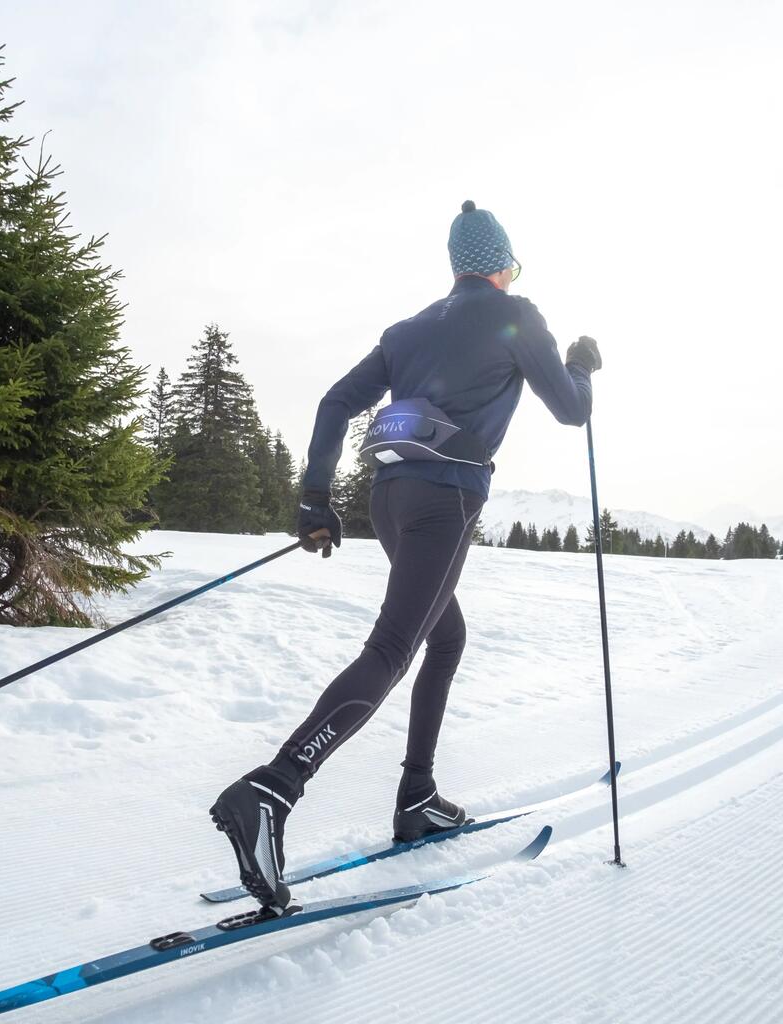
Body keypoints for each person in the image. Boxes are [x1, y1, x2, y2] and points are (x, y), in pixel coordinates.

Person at [210, 200, 602, 912]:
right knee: (394, 647)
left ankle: (417, 794)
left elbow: (335, 403)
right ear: (502, 266)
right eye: (512, 265)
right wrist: (579, 367)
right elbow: (572, 410)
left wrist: (314, 500)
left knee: (444, 637)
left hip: (388, 501)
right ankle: (272, 789)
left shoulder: (408, 328)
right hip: (445, 502)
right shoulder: (517, 317)